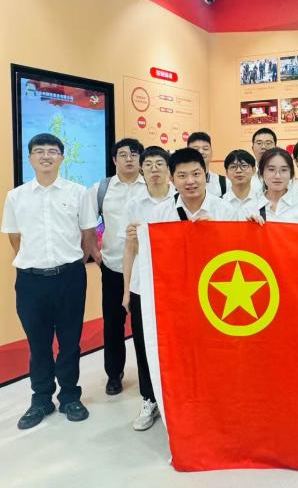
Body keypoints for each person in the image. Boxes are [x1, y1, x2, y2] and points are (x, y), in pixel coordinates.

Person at [1, 133, 98, 429]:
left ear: (61, 158)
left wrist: (70, 264)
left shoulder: (78, 193)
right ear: (30, 158)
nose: (46, 156)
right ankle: (41, 399)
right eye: (39, 151)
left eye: (52, 151)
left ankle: (69, 396)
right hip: (31, 282)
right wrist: (36, 263)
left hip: (69, 278)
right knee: (38, 343)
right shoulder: (16, 196)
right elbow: (14, 238)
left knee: (70, 341)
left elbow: (88, 236)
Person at [120, 146, 175, 431]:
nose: (154, 169)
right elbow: (129, 249)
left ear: (168, 169)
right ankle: (148, 398)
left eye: (159, 164)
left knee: (174, 346)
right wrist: (126, 290)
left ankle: (175, 399)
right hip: (144, 285)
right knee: (143, 344)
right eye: (149, 164)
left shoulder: (179, 201)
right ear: (142, 169)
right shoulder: (134, 204)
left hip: (175, 287)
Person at [89, 138, 147, 396]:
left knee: (144, 326)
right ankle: (114, 374)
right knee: (113, 324)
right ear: (114, 160)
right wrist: (96, 255)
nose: (129, 159)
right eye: (123, 154)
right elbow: (87, 224)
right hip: (112, 268)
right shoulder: (101, 189)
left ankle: (148, 376)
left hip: (145, 269)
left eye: (134, 154)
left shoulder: (152, 186)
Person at [258, 147, 298, 223]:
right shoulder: (252, 205)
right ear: (262, 173)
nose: (277, 176)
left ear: (291, 174)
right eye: (271, 169)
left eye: (284, 170)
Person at [221, 149, 261, 219]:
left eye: (244, 166)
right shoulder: (219, 203)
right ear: (227, 172)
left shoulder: (262, 202)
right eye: (233, 167)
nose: (238, 170)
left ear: (254, 170)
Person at [188, 131, 228, 198]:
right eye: (196, 149)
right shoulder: (177, 184)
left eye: (205, 149)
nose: (201, 152)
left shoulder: (224, 183)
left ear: (211, 153)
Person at [251, 127, 277, 196]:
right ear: (252, 148)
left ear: (275, 147)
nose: (263, 147)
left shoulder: (284, 171)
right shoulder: (246, 172)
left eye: (268, 143)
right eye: (259, 143)